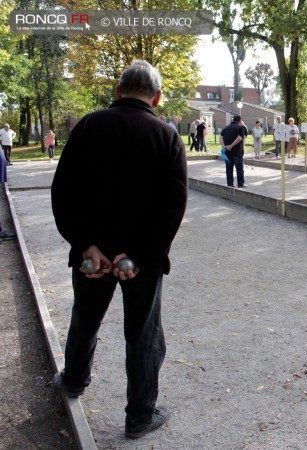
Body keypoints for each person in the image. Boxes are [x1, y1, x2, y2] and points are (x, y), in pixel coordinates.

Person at [50, 60, 188, 439]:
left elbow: (63, 192)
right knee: (143, 332)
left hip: (92, 255)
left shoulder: (88, 127)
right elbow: (173, 208)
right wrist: (141, 257)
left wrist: (85, 246)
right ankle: (140, 415)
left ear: (117, 91)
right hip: (139, 259)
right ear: (157, 97)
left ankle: (74, 379)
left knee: (85, 317)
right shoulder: (167, 136)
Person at [220, 115, 247, 187]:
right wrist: (231, 145)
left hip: (227, 152)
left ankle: (230, 184)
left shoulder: (226, 128)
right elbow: (239, 138)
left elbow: (221, 138)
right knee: (239, 169)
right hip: (237, 152)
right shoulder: (241, 127)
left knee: (229, 169)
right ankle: (240, 184)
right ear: (240, 120)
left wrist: (224, 146)